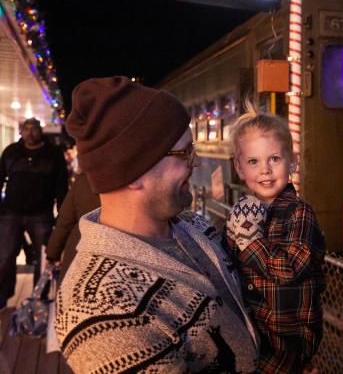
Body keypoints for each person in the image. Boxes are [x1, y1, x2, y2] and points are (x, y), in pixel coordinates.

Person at [55, 76, 258, 373]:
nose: (197, 162)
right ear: (133, 172)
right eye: (184, 152)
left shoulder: (193, 227)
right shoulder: (100, 310)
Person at [225, 107, 326, 373]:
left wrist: (248, 239)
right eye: (253, 162)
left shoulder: (299, 213)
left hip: (286, 342)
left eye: (274, 159)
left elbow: (289, 269)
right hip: (250, 335)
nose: (265, 170)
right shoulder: (241, 212)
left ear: (291, 163)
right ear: (239, 167)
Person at [0, 117, 68, 309]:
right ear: (21, 131)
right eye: (26, 129)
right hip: (10, 212)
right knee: (4, 256)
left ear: (41, 131)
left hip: (41, 213)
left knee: (44, 258)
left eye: (34, 129)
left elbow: (61, 187)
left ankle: (40, 299)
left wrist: (61, 215)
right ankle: (3, 297)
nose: (30, 132)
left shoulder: (53, 154)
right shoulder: (11, 152)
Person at [45, 172, 100, 280]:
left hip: (78, 255)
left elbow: (65, 221)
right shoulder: (133, 180)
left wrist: (52, 253)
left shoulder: (84, 180)